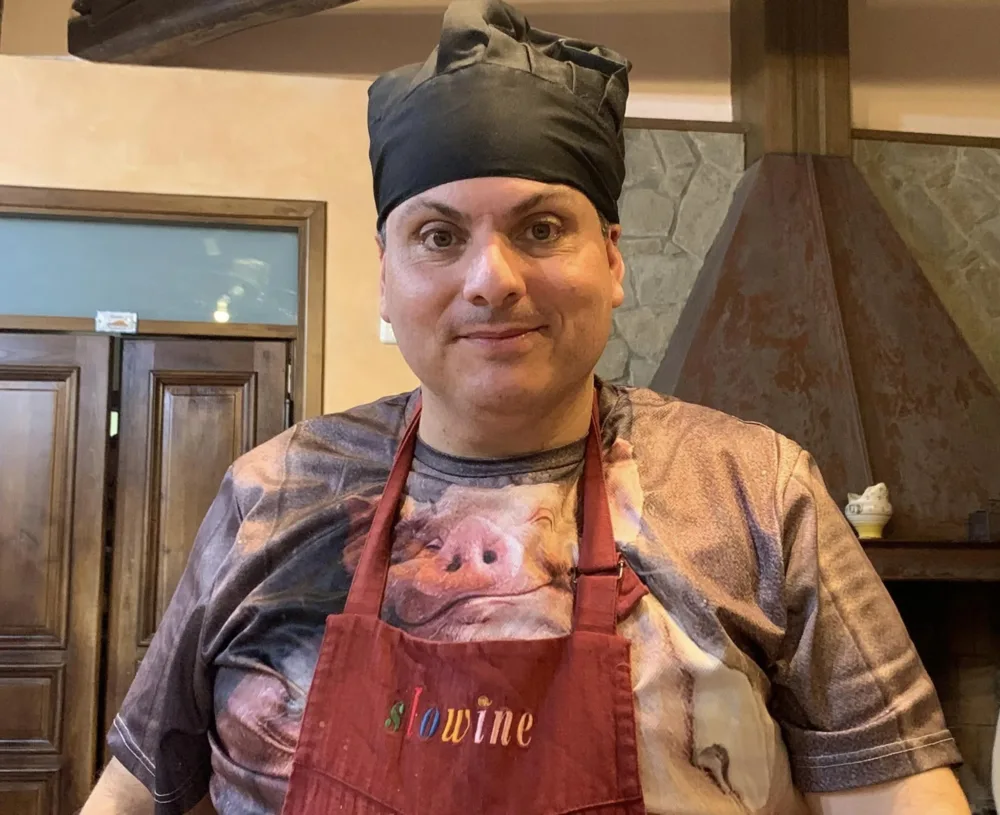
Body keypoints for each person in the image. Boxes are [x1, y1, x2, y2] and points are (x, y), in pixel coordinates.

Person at [82, 1, 971, 813]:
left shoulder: (759, 494)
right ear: (385, 277)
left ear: (612, 259)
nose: (491, 280)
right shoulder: (272, 492)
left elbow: (902, 796)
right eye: (439, 235)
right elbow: (131, 791)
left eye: (541, 229)